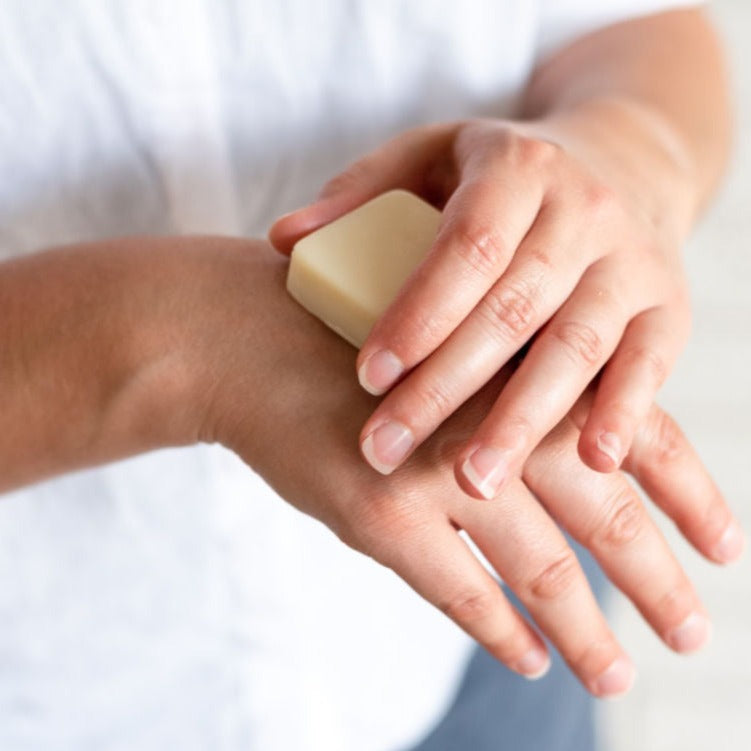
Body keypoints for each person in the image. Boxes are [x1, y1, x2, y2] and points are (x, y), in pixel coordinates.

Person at [0, 2, 743, 750]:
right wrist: (174, 340)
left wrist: (625, 155)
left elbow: (638, 23)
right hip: (69, 693)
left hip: (480, 617)